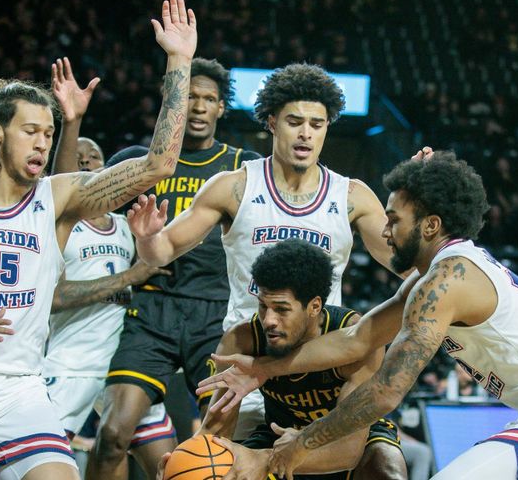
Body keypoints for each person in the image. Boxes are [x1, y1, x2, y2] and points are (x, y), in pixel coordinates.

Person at [0, 0, 196, 480]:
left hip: (17, 389)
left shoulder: (58, 197)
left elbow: (157, 166)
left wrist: (178, 62)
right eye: (31, 131)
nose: (43, 143)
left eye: (49, 132)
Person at [201, 151, 518, 480]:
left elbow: (385, 393)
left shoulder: (447, 281)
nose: (384, 231)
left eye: (393, 220)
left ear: (430, 225)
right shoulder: (433, 277)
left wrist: (297, 447)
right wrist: (261, 370)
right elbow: (358, 339)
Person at [128, 63, 409, 443]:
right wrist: (147, 238)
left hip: (320, 364)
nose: (306, 133)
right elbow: (161, 253)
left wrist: (414, 209)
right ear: (272, 121)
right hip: (246, 355)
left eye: (317, 123)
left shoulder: (352, 196)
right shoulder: (233, 186)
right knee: (221, 464)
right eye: (295, 121)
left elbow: (407, 266)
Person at [85, 58, 261, 480]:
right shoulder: (137, 163)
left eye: (208, 99)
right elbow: (72, 212)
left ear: (221, 108)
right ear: (170, 103)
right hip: (150, 310)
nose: (198, 107)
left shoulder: (245, 166)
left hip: (218, 314)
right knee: (112, 435)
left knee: (220, 445)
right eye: (188, 97)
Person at [174, 239, 406, 480]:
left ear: (314, 306)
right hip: (277, 435)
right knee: (228, 472)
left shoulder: (355, 336)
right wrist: (181, 463)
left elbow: (349, 451)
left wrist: (266, 460)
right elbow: (215, 432)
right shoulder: (243, 340)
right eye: (263, 306)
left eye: (282, 309)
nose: (269, 320)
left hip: (347, 438)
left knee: (387, 471)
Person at [43, 83, 178, 480]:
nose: (85, 165)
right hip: (70, 363)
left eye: (94, 159)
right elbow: (52, 296)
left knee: (173, 469)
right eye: (78, 159)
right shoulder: (56, 228)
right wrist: (130, 275)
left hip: (124, 365)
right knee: (29, 465)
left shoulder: (127, 226)